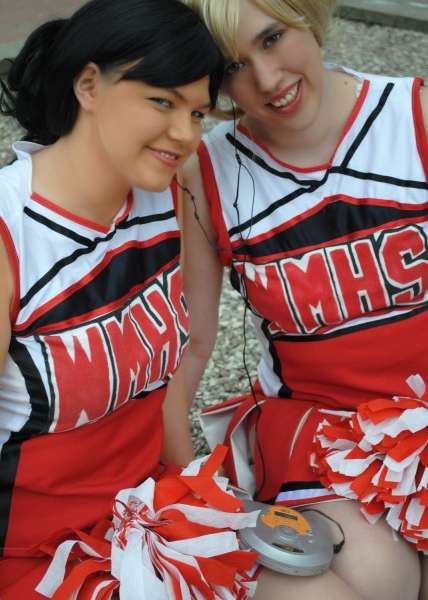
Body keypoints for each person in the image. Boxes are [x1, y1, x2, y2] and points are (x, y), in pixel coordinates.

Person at [182, 0, 428, 598]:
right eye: (234, 65)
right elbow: (191, 346)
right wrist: (175, 486)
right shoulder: (207, 171)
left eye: (272, 39)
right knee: (380, 581)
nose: (267, 80)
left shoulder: (415, 116)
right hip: (322, 434)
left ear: (308, 17)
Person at [0, 0, 225, 597]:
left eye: (197, 112)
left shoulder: (164, 196)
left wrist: (194, 489)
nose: (187, 134)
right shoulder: (9, 233)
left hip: (144, 518)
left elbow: (163, 386)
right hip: (35, 557)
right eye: (162, 101)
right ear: (89, 85)